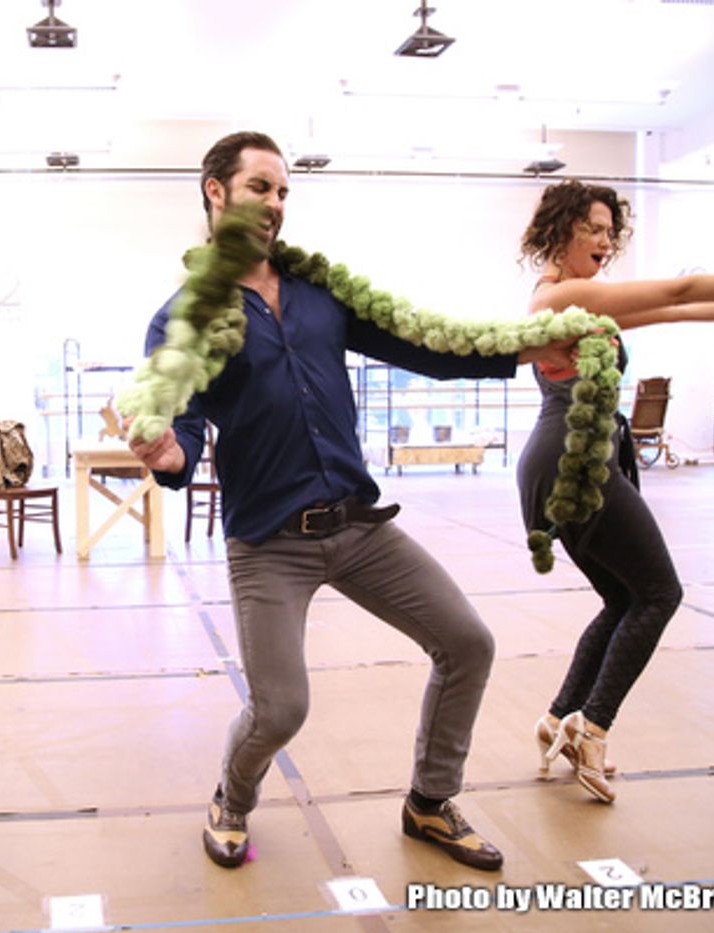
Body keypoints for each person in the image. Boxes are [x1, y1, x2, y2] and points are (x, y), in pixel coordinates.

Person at [127, 130, 578, 873]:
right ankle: (232, 799)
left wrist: (532, 347)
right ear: (216, 191)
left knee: (468, 643)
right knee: (281, 709)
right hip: (269, 542)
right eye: (260, 187)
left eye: (283, 191)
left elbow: (427, 349)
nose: (276, 203)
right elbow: (181, 423)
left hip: (361, 527)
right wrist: (173, 455)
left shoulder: (320, 293)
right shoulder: (185, 318)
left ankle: (430, 802)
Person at [517, 179, 714, 803]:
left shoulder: (575, 297)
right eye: (593, 229)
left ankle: (559, 718)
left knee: (622, 597)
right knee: (661, 594)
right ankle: (592, 729)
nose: (605, 242)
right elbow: (680, 290)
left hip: (564, 458)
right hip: (576, 460)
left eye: (610, 232)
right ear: (560, 231)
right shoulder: (564, 296)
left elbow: (675, 310)